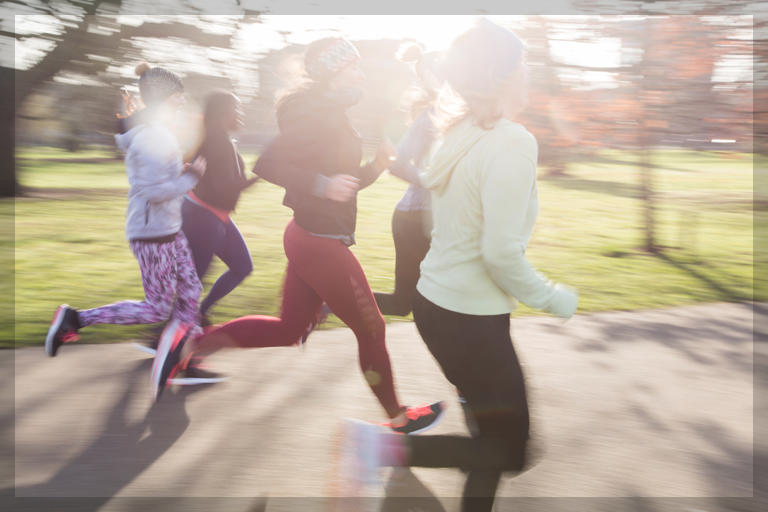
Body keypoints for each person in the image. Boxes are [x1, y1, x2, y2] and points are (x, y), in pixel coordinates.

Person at [342, 19, 579, 512]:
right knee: (507, 448)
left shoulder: (457, 133)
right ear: (505, 75)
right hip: (471, 321)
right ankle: (378, 447)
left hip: (438, 308)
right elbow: (499, 253)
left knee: (488, 438)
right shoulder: (511, 140)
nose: (529, 71)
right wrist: (553, 297)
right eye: (523, 62)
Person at [155, 36, 445, 434]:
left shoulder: (334, 112)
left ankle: (190, 345)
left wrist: (375, 166)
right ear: (335, 71)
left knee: (290, 329)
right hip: (318, 240)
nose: (361, 74)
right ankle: (397, 417)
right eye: (354, 67)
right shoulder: (315, 112)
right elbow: (270, 162)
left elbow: (345, 184)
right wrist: (321, 183)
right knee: (372, 328)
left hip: (312, 235)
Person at [44, 63, 207, 399]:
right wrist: (191, 178)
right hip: (152, 234)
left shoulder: (157, 132)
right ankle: (75, 319)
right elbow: (153, 191)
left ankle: (177, 354)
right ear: (163, 100)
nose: (181, 103)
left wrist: (182, 172)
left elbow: (160, 181)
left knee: (191, 289)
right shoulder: (153, 136)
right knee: (158, 308)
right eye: (177, 98)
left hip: (168, 229)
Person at [181, 91, 259, 325]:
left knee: (242, 266)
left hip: (215, 216)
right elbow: (224, 188)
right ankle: (165, 337)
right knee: (194, 281)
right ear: (224, 113)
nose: (241, 113)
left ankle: (200, 314)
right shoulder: (215, 141)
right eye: (237, 108)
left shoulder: (220, 138)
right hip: (203, 218)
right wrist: (256, 178)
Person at [372, 43, 439, 317]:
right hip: (414, 218)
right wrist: (432, 180)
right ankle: (328, 299)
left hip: (443, 219)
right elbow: (396, 165)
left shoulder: (472, 116)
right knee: (404, 304)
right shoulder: (429, 118)